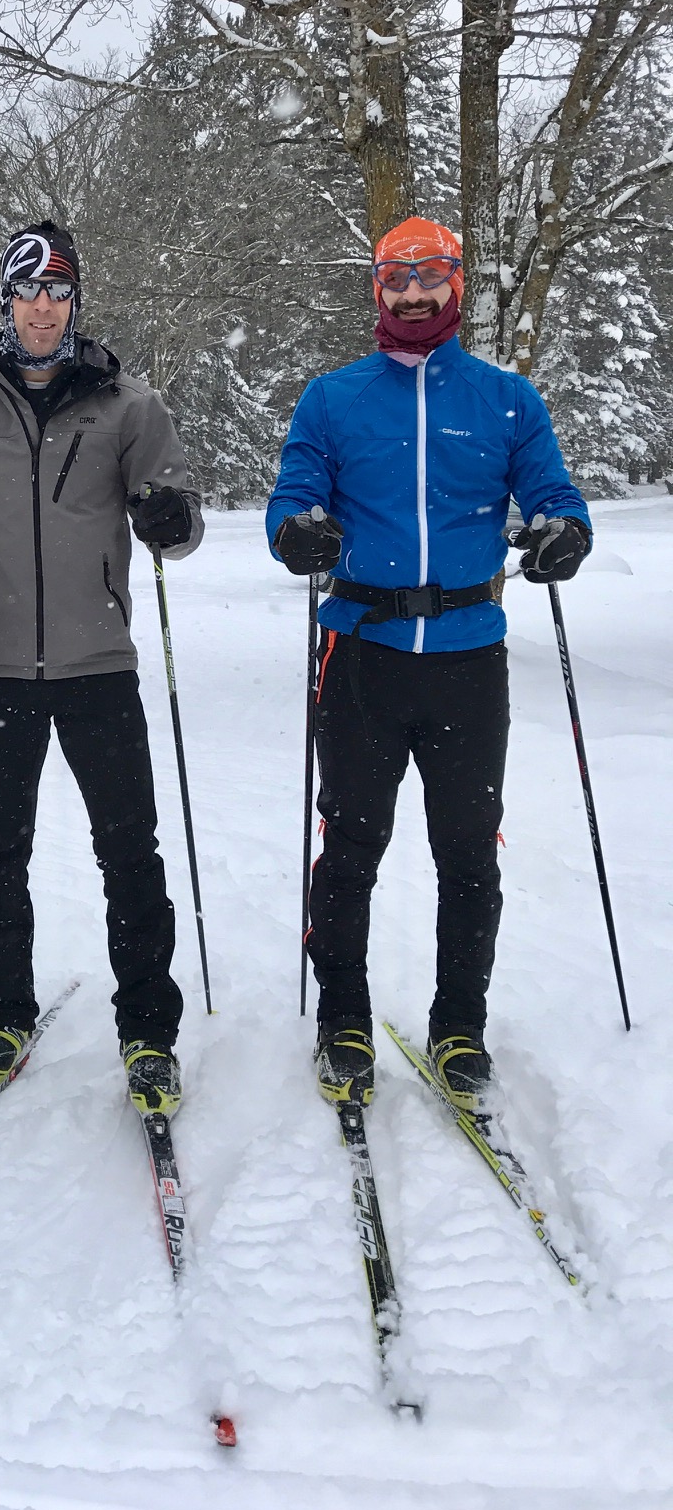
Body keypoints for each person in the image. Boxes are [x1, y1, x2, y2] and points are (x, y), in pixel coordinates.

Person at [266, 216, 591, 1112]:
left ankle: (459, 1026)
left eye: (431, 277)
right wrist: (297, 531)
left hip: (467, 656)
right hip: (363, 652)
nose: (414, 293)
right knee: (353, 846)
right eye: (397, 279)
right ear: (378, 289)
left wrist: (564, 531)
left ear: (455, 282)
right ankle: (344, 1019)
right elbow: (293, 493)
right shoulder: (332, 399)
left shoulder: (507, 398)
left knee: (466, 854)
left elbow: (553, 493)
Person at [0, 222, 203, 1116]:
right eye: (28, 290)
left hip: (98, 662)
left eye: (58, 290)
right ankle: (2, 1015)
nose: (42, 306)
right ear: (6, 299)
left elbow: (179, 523)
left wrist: (167, 517)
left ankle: (148, 1033)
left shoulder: (126, 404)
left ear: (76, 300)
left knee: (130, 852)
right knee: (2, 851)